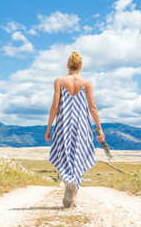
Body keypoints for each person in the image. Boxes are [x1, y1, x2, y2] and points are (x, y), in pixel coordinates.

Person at [44, 51, 105, 208]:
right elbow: (92, 107)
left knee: (64, 156)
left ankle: (69, 183)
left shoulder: (59, 80)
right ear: (81, 66)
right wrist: (99, 129)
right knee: (79, 155)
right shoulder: (87, 83)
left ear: (68, 65)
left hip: (63, 124)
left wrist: (49, 127)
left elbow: (55, 105)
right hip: (81, 125)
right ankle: (72, 193)